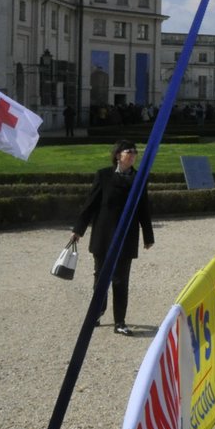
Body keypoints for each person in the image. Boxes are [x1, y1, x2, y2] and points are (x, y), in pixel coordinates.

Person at [72, 139, 156, 336]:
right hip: (104, 234)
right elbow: (90, 204)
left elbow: (144, 207)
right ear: (118, 155)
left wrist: (148, 235)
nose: (134, 154)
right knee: (101, 278)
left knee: (121, 280)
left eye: (135, 151)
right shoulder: (103, 176)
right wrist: (78, 229)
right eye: (130, 151)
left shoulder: (139, 178)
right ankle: (97, 313)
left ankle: (120, 321)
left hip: (127, 235)